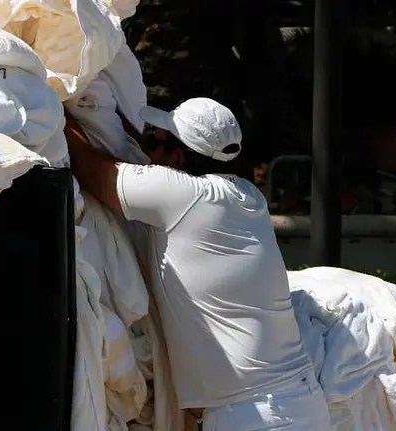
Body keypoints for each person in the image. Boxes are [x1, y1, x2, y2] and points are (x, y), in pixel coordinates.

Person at [64, 97, 331, 431]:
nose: (145, 154)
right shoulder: (248, 196)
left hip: (255, 417)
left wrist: (57, 108)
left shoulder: (183, 197)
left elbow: (92, 168)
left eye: (152, 143)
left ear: (177, 156)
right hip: (299, 404)